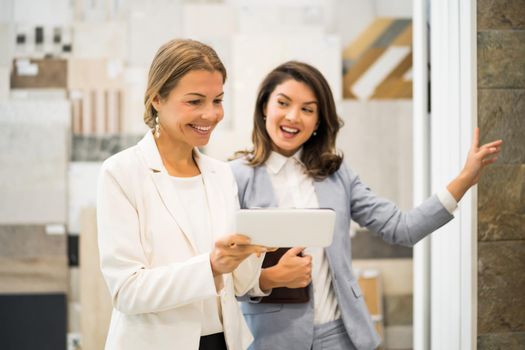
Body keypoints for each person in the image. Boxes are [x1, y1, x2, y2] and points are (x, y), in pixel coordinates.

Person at [230, 61, 502, 350]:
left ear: (319, 121)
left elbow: (402, 228)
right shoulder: (236, 178)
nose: (293, 116)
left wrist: (463, 180)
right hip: (274, 340)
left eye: (308, 109)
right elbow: (224, 273)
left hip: (343, 336)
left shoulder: (337, 174)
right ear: (264, 108)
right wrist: (269, 277)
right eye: (283, 103)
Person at [97, 39, 268, 350]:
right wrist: (211, 266)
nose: (211, 114)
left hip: (224, 341)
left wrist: (253, 250)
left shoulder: (220, 174)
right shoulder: (121, 173)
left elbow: (238, 284)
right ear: (157, 99)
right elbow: (127, 292)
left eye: (217, 100)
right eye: (195, 101)